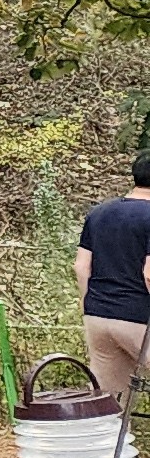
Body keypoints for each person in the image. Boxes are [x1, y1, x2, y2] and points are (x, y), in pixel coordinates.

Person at [80, 146, 150, 399]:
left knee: (108, 401)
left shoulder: (98, 213)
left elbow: (81, 267)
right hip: (139, 317)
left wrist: (91, 302)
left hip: (98, 316)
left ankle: (108, 439)